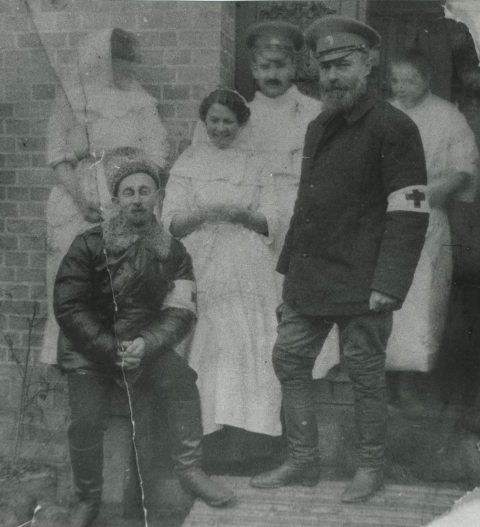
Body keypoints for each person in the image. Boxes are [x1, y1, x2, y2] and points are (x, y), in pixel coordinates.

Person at [251, 16, 429, 503]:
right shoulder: (319, 126)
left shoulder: (395, 128)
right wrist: (289, 274)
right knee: (289, 359)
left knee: (365, 375)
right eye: (325, 67)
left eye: (343, 65)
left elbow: (410, 213)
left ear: (368, 65)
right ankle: (302, 461)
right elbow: (306, 205)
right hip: (311, 275)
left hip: (364, 281)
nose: (332, 76)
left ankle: (371, 466)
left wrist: (389, 283)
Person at [53, 148, 235, 527]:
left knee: (182, 381)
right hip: (90, 351)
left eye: (144, 191)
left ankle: (190, 471)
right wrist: (109, 347)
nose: (137, 199)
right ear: (117, 200)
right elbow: (70, 306)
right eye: (128, 192)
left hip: (142, 346)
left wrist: (148, 343)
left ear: (157, 197)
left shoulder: (173, 252)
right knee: (86, 420)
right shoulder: (89, 244)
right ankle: (88, 499)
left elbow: (182, 310)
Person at [161, 89, 286, 462]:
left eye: (228, 121)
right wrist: (203, 214)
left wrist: (242, 215)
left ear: (241, 123)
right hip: (200, 262)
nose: (220, 128)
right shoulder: (189, 161)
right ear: (204, 122)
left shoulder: (257, 163)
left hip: (246, 265)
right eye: (213, 121)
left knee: (247, 346)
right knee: (205, 345)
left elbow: (273, 219)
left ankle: (249, 444)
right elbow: (170, 222)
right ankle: (204, 442)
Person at [40, 28, 169, 365]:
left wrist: (133, 191)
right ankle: (75, 359)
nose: (129, 68)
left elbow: (156, 154)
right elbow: (57, 156)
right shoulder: (70, 98)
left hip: (126, 196)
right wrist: (81, 200)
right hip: (78, 199)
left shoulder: (140, 102)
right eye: (121, 61)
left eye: (131, 61)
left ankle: (121, 358)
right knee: (77, 277)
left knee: (124, 279)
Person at [245, 20, 339, 382]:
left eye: (280, 65)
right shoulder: (239, 114)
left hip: (303, 208)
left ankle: (310, 365)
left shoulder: (315, 111)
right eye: (265, 66)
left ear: (295, 67)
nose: (272, 74)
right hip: (255, 212)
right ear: (253, 68)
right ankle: (259, 368)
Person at [385, 49, 479, 410]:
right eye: (396, 80)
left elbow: (464, 169)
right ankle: (384, 382)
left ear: (427, 79)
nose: (401, 87)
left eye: (410, 80)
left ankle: (411, 383)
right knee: (386, 298)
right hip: (386, 218)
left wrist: (427, 196)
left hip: (427, 217)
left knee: (423, 301)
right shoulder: (382, 114)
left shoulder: (447, 116)